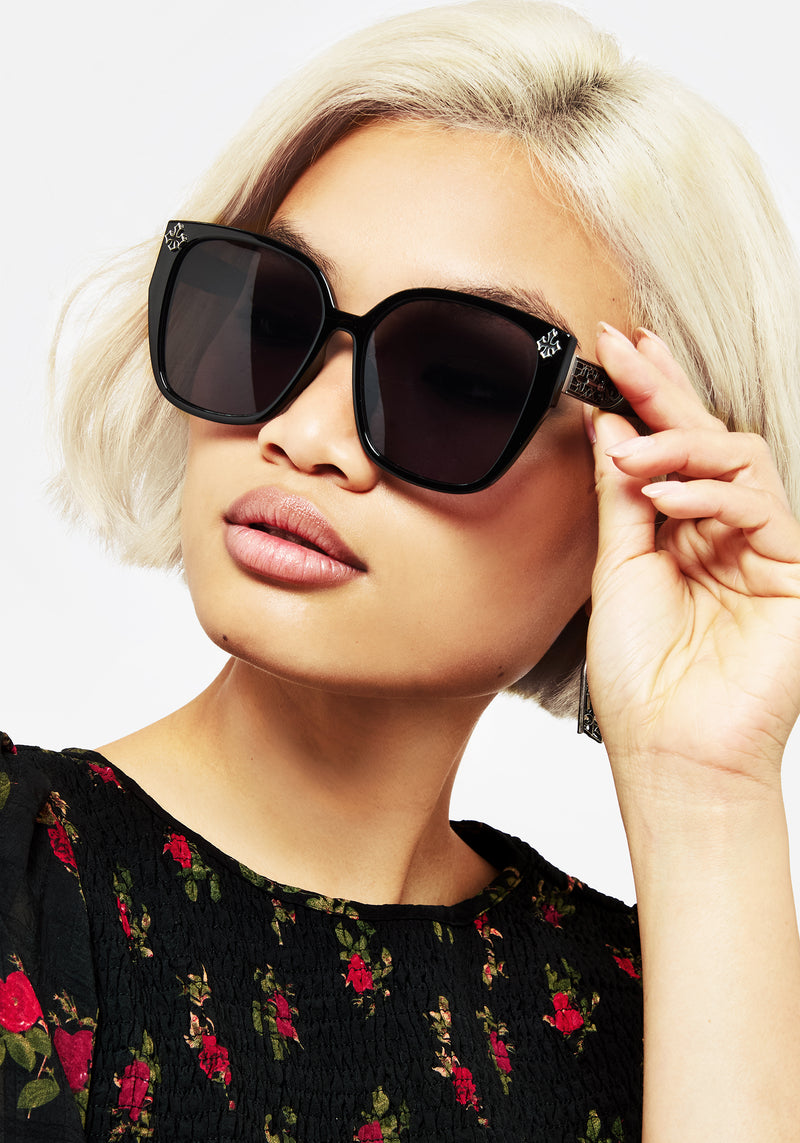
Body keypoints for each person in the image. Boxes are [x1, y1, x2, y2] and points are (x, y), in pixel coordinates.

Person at [2, 1, 799, 1139]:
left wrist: (706, 790)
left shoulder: (672, 1021)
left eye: (457, 380)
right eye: (271, 315)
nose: (304, 433)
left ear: (646, 482)